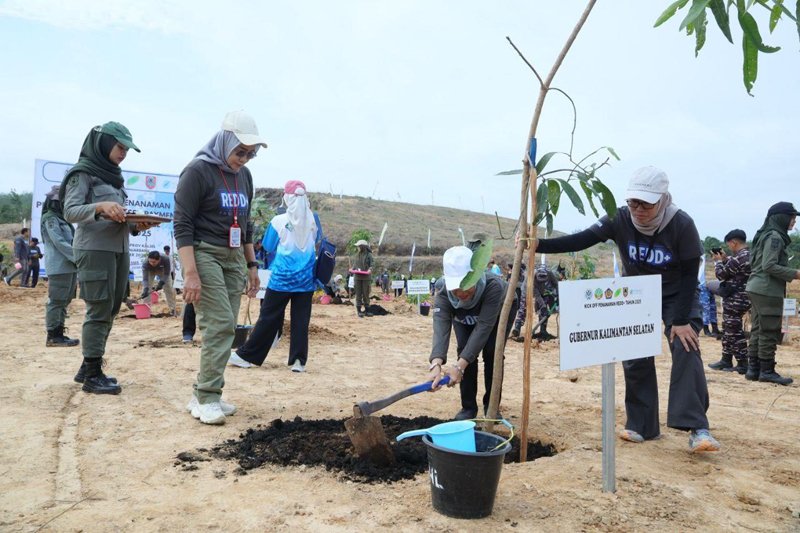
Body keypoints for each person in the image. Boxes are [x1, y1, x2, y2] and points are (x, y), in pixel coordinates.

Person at [534, 166, 720, 453]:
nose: (638, 209)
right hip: (637, 293)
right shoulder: (619, 218)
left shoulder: (682, 224)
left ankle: (698, 427)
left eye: (646, 203)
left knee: (686, 345)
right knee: (633, 351)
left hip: (676, 293)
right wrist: (536, 244)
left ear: (663, 199)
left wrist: (681, 320)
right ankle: (642, 424)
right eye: (633, 202)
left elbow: (689, 275)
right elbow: (581, 239)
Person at [174, 110, 264, 424]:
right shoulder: (197, 172)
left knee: (225, 326)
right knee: (221, 323)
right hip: (204, 254)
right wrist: (190, 273)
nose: (244, 159)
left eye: (250, 155)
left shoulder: (245, 177)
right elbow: (182, 224)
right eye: (240, 152)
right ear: (224, 140)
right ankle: (207, 396)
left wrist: (252, 263)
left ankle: (205, 392)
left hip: (233, 257)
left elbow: (247, 224)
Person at [62, 121, 152, 395]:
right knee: (99, 309)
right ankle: (92, 374)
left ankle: (88, 365)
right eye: (120, 147)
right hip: (94, 250)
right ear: (103, 144)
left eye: (127, 149)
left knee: (111, 308)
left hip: (118, 250)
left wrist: (138, 225)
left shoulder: (114, 176)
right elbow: (70, 211)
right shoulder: (83, 174)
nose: (123, 153)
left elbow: (119, 216)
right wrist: (100, 206)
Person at [227, 180, 322, 373]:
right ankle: (298, 362)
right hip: (305, 280)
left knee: (268, 318)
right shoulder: (314, 219)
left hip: (281, 279)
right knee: (301, 321)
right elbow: (317, 240)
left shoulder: (278, 221)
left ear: (287, 198)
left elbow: (268, 246)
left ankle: (247, 356)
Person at [426, 245, 517, 420]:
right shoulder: (444, 292)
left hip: (499, 311)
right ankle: (468, 408)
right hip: (465, 317)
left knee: (492, 352)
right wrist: (435, 364)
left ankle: (491, 406)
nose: (461, 293)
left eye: (466, 286)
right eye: (456, 288)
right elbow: (440, 328)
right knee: (464, 350)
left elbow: (484, 327)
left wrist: (459, 367)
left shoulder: (493, 286)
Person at [744, 202, 799, 386]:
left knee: (758, 329)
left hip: (757, 287)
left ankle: (753, 369)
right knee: (768, 331)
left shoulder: (765, 235)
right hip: (767, 289)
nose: (793, 222)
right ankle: (767, 371)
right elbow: (769, 265)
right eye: (792, 217)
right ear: (781, 217)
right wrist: (795, 274)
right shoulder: (775, 237)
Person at [707, 229, 751, 373]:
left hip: (736, 299)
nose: (729, 247)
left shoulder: (739, 258)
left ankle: (742, 362)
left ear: (734, 242)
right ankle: (726, 359)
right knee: (728, 328)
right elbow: (736, 270)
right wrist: (725, 260)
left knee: (734, 330)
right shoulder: (747, 255)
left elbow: (721, 275)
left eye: (729, 244)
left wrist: (718, 263)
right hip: (741, 297)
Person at [41, 186, 79, 347]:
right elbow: (59, 242)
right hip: (59, 266)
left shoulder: (62, 219)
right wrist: (78, 257)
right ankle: (53, 335)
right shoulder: (50, 219)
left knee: (65, 300)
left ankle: (59, 333)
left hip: (69, 265)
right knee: (56, 301)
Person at [141, 250, 177, 316]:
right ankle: (146, 309)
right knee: (145, 290)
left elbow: (167, 273)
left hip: (162, 270)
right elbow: (145, 279)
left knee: (169, 288)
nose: (151, 263)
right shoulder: (145, 263)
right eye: (150, 261)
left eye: (154, 262)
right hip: (150, 271)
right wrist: (146, 288)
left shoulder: (165, 258)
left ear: (159, 259)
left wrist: (162, 282)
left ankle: (172, 309)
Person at [532, 264, 559, 341]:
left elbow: (556, 284)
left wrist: (558, 297)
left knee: (549, 312)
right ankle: (542, 331)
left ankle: (544, 330)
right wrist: (543, 305)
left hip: (550, 293)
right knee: (541, 311)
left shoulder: (550, 274)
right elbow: (537, 294)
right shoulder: (533, 277)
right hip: (540, 294)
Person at [698, 254, 721, 339]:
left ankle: (715, 329)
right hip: (702, 287)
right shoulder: (700, 261)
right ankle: (706, 330)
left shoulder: (716, 263)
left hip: (710, 288)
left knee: (713, 309)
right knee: (706, 310)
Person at [352, 240, 373, 317]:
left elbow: (372, 265)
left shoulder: (369, 255)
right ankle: (359, 311)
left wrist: (370, 269)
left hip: (366, 277)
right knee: (358, 294)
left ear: (363, 247)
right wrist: (352, 270)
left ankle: (367, 310)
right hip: (357, 277)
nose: (357, 247)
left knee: (366, 293)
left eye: (359, 246)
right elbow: (354, 265)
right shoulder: (357, 255)